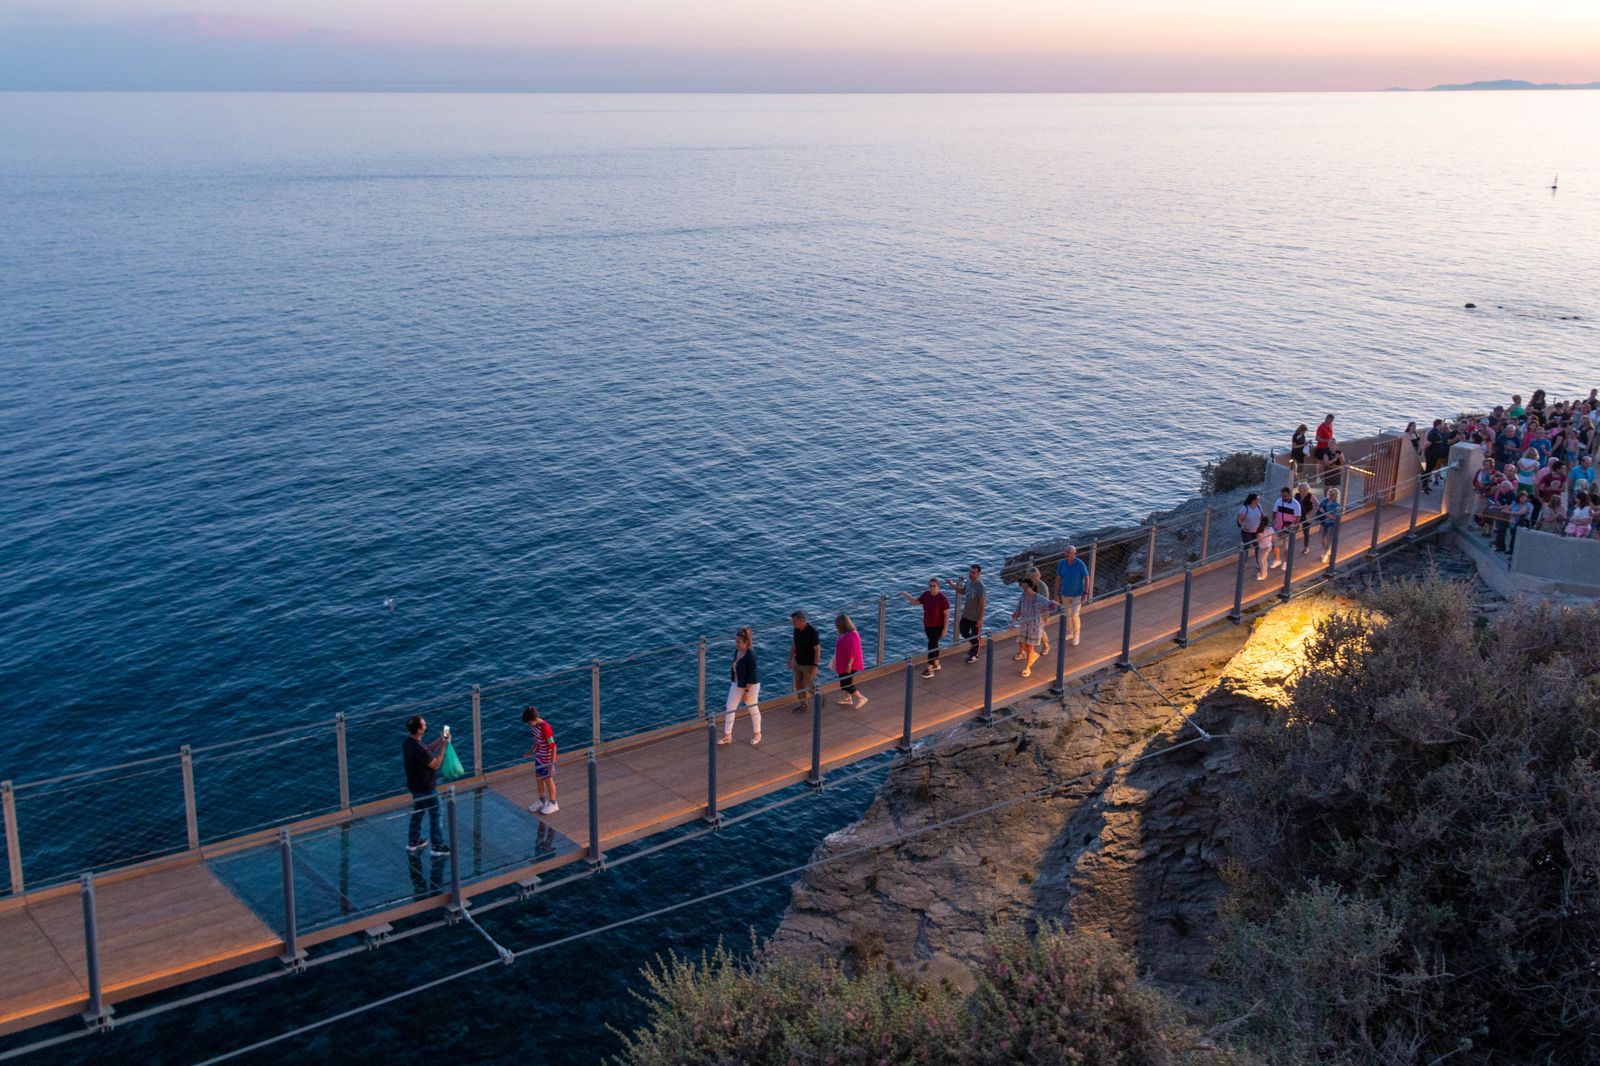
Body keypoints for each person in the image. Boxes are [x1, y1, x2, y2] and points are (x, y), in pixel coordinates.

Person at [403, 715, 451, 856]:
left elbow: (427, 750)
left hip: (414, 785)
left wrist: (440, 741)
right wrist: (444, 747)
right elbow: (435, 764)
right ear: (419, 730)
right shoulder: (419, 749)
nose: (426, 725)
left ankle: (413, 841)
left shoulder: (408, 742)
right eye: (424, 724)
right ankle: (437, 846)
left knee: (418, 811)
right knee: (436, 813)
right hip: (426, 787)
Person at [1010, 577, 1060, 679]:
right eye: (1022, 587)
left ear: (1031, 587)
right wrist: (1014, 618)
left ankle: (1027, 668)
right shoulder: (1023, 596)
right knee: (1021, 644)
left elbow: (1049, 603)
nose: (1024, 589)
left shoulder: (1038, 598)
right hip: (1024, 624)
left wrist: (1056, 604)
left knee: (1030, 647)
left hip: (1034, 626)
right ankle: (1033, 655)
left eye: (1026, 587)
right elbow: (1019, 607)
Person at [901, 578, 950, 679]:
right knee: (934, 644)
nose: (932, 588)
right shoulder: (926, 595)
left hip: (938, 626)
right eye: (930, 586)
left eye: (934, 586)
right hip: (928, 625)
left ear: (938, 587)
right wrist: (906, 595)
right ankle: (936, 664)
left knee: (931, 645)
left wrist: (945, 629)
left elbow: (946, 615)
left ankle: (930, 669)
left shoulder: (942, 598)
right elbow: (915, 602)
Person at [721, 627, 761, 746]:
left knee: (752, 708)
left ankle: (757, 734)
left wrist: (746, 692)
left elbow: (752, 676)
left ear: (746, 642)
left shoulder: (751, 656)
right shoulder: (737, 652)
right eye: (736, 641)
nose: (736, 644)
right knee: (730, 707)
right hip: (738, 683)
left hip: (751, 685)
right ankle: (727, 735)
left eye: (739, 642)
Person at [945, 564, 987, 664]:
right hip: (966, 614)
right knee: (963, 631)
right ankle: (974, 645)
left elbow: (982, 604)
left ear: (978, 574)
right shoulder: (968, 582)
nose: (971, 574)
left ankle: (975, 654)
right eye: (970, 572)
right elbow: (962, 591)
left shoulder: (981, 587)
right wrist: (952, 584)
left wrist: (980, 619)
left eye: (973, 573)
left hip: (975, 617)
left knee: (975, 635)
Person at [520, 706, 558, 814]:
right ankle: (542, 800)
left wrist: (552, 763)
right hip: (539, 757)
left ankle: (553, 803)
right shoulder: (534, 727)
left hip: (547, 758)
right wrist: (531, 751)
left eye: (528, 723)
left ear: (533, 719)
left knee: (548, 779)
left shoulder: (545, 728)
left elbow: (553, 746)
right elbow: (537, 741)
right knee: (538, 777)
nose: (528, 725)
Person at [1053, 545, 1090, 647]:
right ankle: (1070, 632)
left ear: (1074, 554)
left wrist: (1085, 594)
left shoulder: (1080, 564)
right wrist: (1056, 593)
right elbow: (1058, 578)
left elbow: (1087, 578)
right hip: (1065, 593)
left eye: (1069, 552)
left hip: (1077, 594)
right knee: (1067, 614)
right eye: (1065, 551)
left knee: (1074, 614)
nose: (1066, 554)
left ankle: (1076, 634)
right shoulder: (1061, 563)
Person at [787, 611, 822, 712]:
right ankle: (803, 704)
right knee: (798, 684)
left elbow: (817, 649)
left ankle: (819, 698)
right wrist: (790, 658)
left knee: (807, 684)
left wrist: (815, 666)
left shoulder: (812, 632)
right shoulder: (796, 630)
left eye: (794, 621)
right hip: (798, 662)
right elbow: (794, 644)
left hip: (808, 664)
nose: (793, 623)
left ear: (802, 620)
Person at [832, 614, 867, 708]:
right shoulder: (843, 633)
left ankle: (861, 698)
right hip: (843, 662)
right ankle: (847, 698)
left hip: (850, 663)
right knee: (844, 682)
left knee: (847, 683)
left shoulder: (852, 635)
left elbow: (853, 651)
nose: (836, 626)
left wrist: (849, 665)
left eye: (837, 624)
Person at [1269, 486, 1300, 570]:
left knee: (1287, 547)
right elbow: (1274, 512)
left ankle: (1286, 562)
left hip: (1289, 529)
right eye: (1282, 496)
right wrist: (1273, 521)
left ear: (1290, 495)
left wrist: (1294, 526)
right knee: (1274, 544)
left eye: (1285, 496)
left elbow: (1297, 517)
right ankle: (1277, 560)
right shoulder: (1279, 501)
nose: (1283, 498)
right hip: (1278, 527)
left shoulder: (1295, 504)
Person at [1424, 418, 1451, 490]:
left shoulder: (1437, 431)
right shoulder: (1433, 432)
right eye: (1442, 424)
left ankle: (1426, 486)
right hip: (1431, 455)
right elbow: (1427, 444)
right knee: (1428, 470)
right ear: (1438, 424)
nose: (1443, 425)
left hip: (1435, 455)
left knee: (1430, 470)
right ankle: (1424, 486)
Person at [1316, 487, 1342, 562]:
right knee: (1321, 538)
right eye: (1329, 494)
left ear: (1335, 496)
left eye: (1331, 495)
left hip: (1331, 523)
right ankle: (1326, 551)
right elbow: (1320, 506)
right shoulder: (1325, 501)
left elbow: (1335, 517)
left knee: (1328, 539)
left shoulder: (1336, 505)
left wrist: (1324, 512)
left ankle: (1326, 554)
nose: (1330, 496)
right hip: (1324, 522)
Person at [1238, 492, 1265, 562]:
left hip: (1257, 531)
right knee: (1246, 548)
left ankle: (1258, 562)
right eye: (1258, 499)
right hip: (1247, 532)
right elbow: (1240, 520)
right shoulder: (1245, 508)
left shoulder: (1259, 506)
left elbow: (1261, 516)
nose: (1259, 500)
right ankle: (1244, 563)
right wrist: (1243, 527)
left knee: (1257, 547)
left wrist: (1263, 525)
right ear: (1253, 500)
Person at [1294, 481, 1318, 554]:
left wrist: (1311, 513)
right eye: (1301, 490)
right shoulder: (1297, 495)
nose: (1303, 492)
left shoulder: (1310, 496)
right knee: (1294, 529)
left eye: (1305, 490)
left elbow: (1318, 505)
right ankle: (1290, 544)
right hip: (1298, 515)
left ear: (1308, 490)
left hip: (1306, 516)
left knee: (1306, 531)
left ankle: (1306, 547)